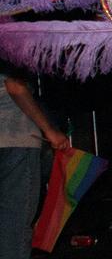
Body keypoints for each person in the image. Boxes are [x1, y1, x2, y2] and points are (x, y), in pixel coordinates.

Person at [1, 68, 69, 259]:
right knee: (15, 222)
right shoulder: (9, 45)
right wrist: (49, 130)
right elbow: (15, 86)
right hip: (13, 139)